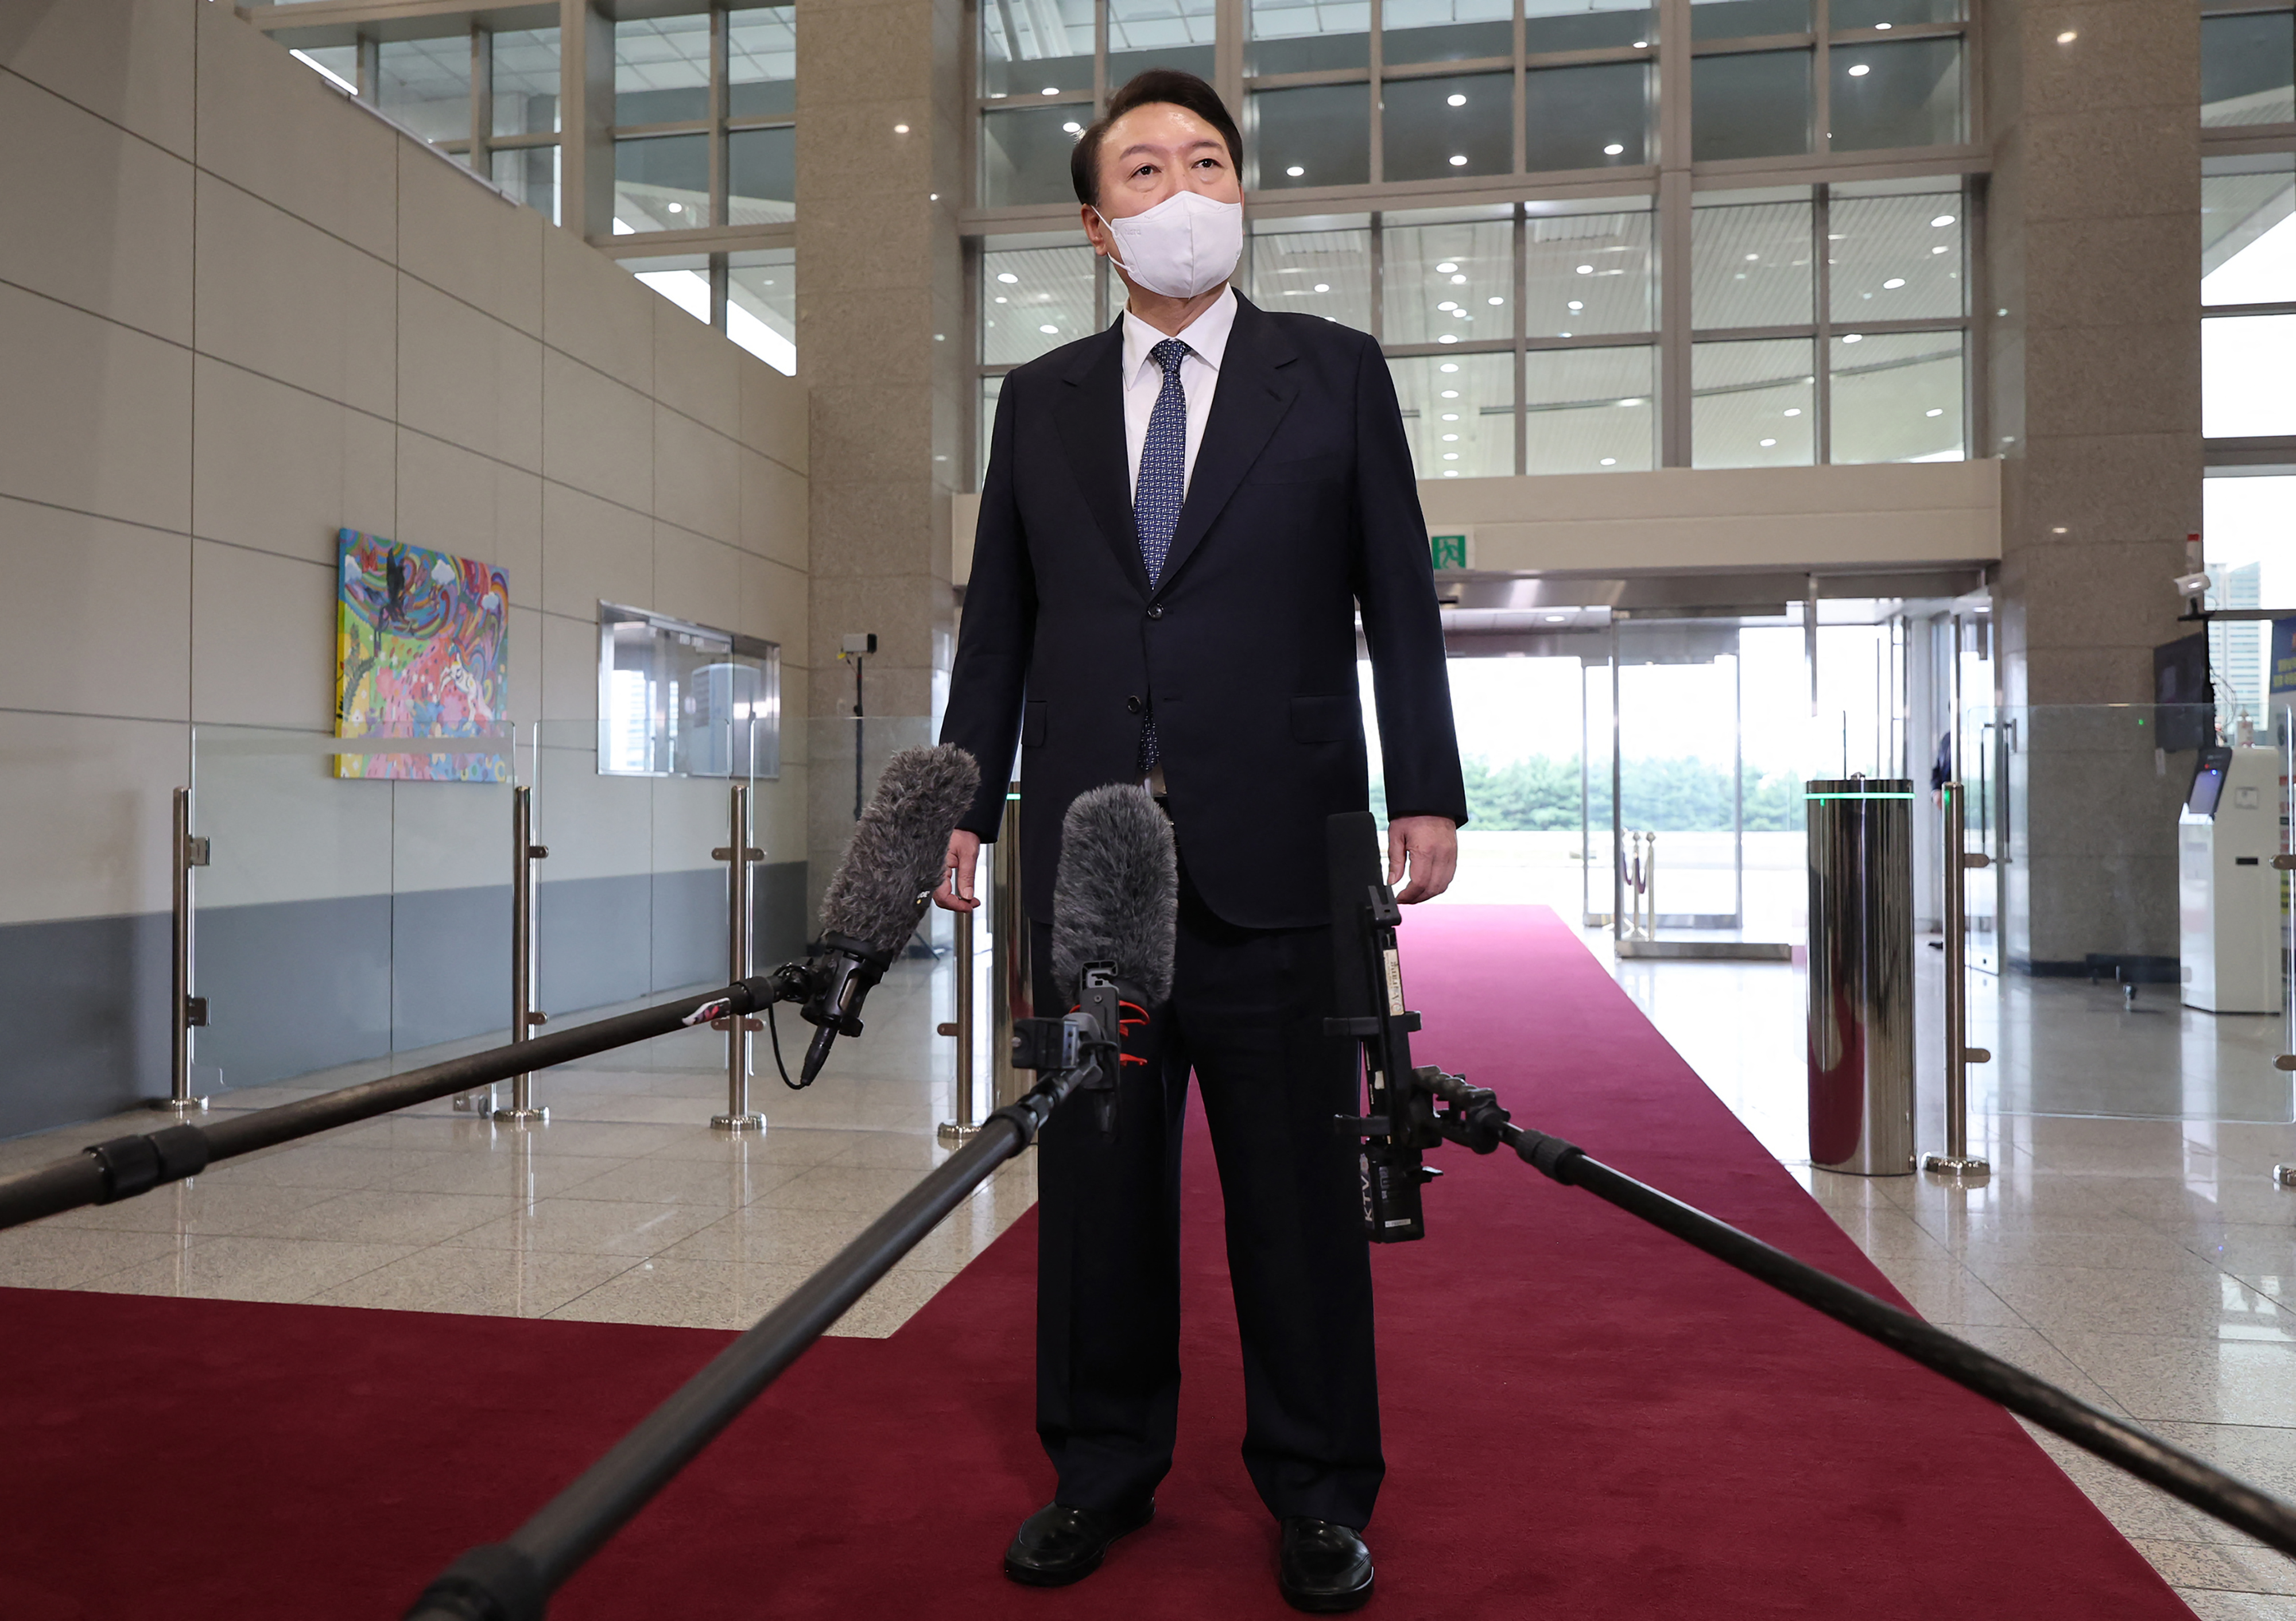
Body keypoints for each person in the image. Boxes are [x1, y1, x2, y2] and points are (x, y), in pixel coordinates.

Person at [933, 67, 1468, 1615]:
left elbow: (1398, 599)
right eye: (1147, 171)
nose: (1185, 191)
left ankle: (1319, 1488)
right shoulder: (1039, 400)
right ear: (1098, 224)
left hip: (1281, 853)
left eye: (1209, 163)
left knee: (1296, 1197)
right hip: (1094, 869)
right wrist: (965, 800)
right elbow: (1002, 625)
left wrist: (1426, 787)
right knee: (1099, 1190)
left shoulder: (1333, 374)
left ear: (1243, 193)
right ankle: (1100, 1470)